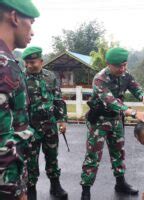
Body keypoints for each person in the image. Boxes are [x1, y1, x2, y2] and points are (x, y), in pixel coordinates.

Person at [80, 47, 144, 200]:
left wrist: (143, 97)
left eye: (124, 65)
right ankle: (86, 191)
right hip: (99, 122)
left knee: (118, 153)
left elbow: (135, 87)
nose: (122, 69)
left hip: (116, 120)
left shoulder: (125, 74)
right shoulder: (100, 79)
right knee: (93, 156)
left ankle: (120, 183)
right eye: (118, 66)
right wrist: (134, 113)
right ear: (108, 64)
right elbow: (110, 101)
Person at [0, 0, 39, 199]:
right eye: (31, 23)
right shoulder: (4, 64)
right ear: (14, 17)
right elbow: (2, 140)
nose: (32, 32)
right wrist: (14, 191)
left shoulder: (9, 60)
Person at [22, 46, 68, 200]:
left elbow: (58, 99)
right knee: (30, 161)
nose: (29, 65)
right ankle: (31, 190)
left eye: (32, 62)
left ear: (41, 61)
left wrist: (62, 120)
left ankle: (55, 186)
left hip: (50, 125)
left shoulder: (50, 77)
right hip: (30, 127)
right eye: (26, 62)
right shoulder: (21, 78)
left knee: (52, 156)